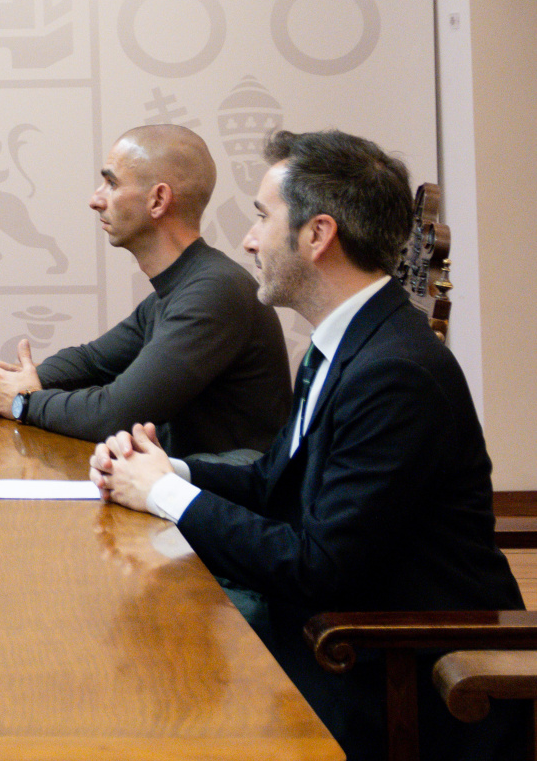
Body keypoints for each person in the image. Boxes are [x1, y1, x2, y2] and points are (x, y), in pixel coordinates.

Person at [90, 129, 523, 760]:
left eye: (264, 217)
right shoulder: (345, 341)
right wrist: (167, 468)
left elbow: (316, 567)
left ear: (318, 236)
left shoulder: (393, 371)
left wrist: (165, 495)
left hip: (403, 680)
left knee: (146, 702)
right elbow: (275, 483)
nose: (247, 238)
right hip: (346, 643)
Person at [0, 124, 289, 459]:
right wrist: (23, 379)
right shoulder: (184, 287)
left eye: (111, 183)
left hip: (225, 504)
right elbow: (92, 361)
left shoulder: (214, 293)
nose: (95, 199)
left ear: (158, 200)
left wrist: (23, 401)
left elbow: (113, 413)